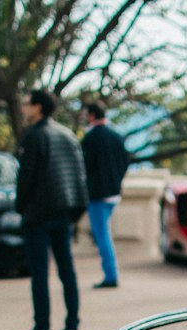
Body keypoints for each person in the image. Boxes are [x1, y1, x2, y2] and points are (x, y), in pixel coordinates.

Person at [16, 88, 88, 330]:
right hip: (63, 210)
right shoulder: (67, 135)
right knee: (66, 268)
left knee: (39, 271)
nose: (24, 109)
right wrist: (77, 210)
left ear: (38, 107)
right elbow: (80, 177)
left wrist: (20, 207)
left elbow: (26, 178)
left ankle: (42, 326)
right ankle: (72, 324)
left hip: (38, 212)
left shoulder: (34, 136)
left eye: (27, 104)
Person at [80, 99, 130, 289]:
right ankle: (110, 273)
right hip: (113, 192)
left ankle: (111, 274)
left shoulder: (90, 138)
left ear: (91, 115)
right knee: (103, 233)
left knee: (102, 235)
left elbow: (85, 166)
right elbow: (125, 162)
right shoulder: (116, 136)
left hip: (98, 194)